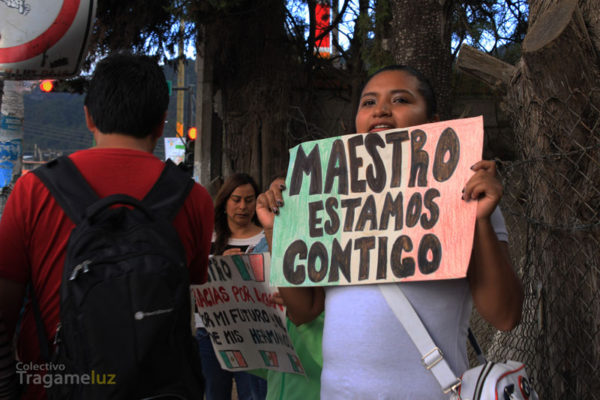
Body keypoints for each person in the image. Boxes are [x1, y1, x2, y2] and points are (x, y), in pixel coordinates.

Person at [256, 65, 524, 399]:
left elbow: (505, 315)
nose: (380, 110)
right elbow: (304, 310)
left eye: (400, 99)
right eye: (368, 102)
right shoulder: (329, 198)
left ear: (433, 121)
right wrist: (277, 230)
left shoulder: (467, 196)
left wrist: (481, 220)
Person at [0, 53, 214, 399]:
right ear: (161, 123)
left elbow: (3, 313)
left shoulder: (32, 190)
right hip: (157, 391)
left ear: (88, 117)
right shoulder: (195, 199)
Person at [195, 173, 267, 400]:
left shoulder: (267, 237)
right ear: (225, 202)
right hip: (211, 332)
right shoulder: (207, 238)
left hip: (255, 334)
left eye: (249, 199)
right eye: (236, 199)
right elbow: (194, 284)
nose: (243, 206)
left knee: (254, 395)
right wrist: (219, 266)